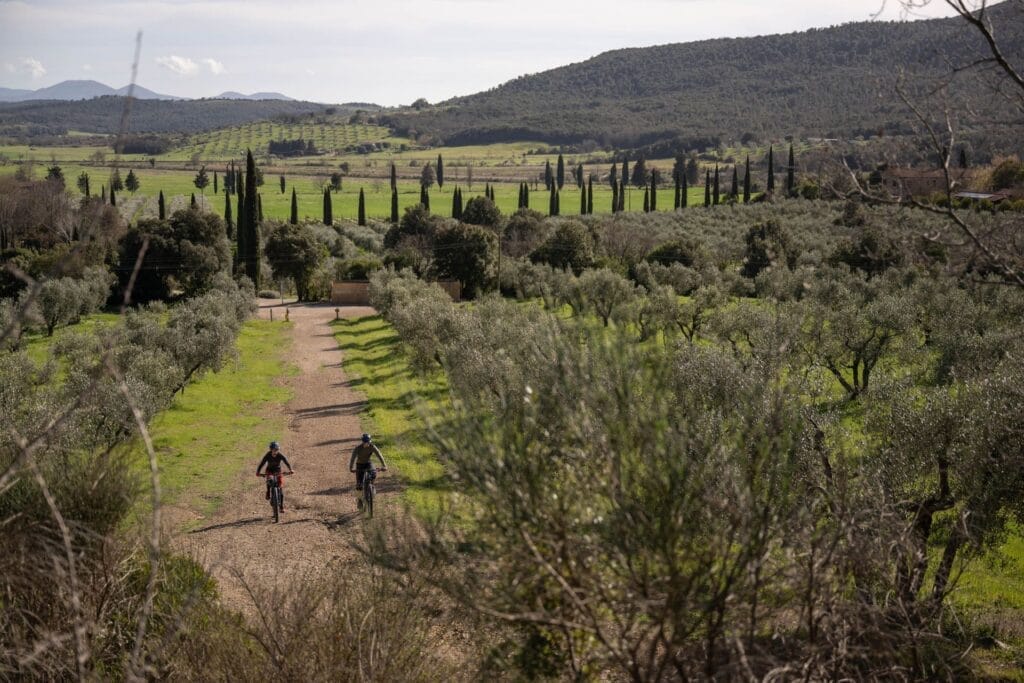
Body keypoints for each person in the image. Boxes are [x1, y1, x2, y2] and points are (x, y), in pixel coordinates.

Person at [349, 433, 387, 505]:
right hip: (359, 465)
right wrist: (351, 467)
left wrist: (384, 465)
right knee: (359, 485)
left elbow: (379, 455)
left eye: (368, 442)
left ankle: (371, 486)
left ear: (370, 441)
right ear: (363, 442)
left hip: (368, 463)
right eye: (365, 442)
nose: (367, 444)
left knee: (373, 473)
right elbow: (353, 458)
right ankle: (360, 500)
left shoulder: (372, 447)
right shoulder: (358, 448)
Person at [257, 441, 294, 511]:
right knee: (269, 480)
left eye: (277, 450)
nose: (276, 451)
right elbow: (262, 463)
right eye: (274, 450)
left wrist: (290, 469)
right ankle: (268, 492)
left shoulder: (280, 455)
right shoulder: (267, 455)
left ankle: (281, 507)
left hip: (278, 470)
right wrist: (258, 472)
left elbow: (286, 461)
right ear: (271, 450)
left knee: (280, 488)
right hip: (269, 470)